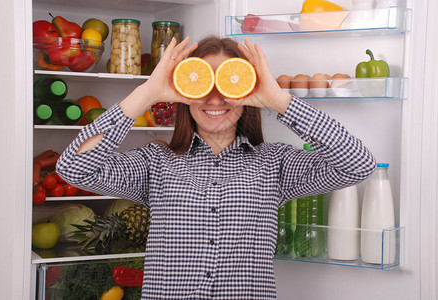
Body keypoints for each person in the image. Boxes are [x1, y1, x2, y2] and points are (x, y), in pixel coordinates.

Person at [56, 35, 376, 299]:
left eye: (228, 85)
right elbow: (73, 168)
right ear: (185, 93)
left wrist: (279, 101)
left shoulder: (275, 163)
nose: (214, 99)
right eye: (202, 84)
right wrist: (147, 94)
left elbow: (358, 164)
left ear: (247, 91)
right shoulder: (155, 162)